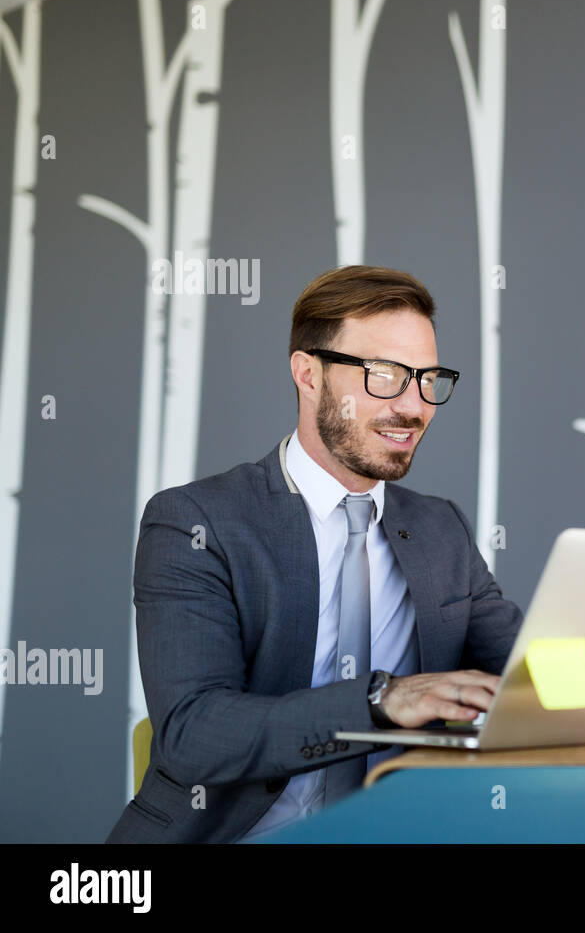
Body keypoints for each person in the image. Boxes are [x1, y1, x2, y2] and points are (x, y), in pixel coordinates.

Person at [107, 265, 523, 842]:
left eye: (428, 379)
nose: (414, 406)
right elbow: (194, 733)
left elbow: (523, 671)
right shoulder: (197, 522)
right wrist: (382, 700)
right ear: (308, 373)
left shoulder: (439, 528)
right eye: (385, 375)